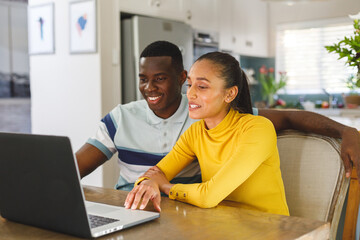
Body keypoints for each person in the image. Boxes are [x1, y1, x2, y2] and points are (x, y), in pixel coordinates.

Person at [76, 41, 360, 191]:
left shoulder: (210, 115)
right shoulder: (121, 117)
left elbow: (287, 118)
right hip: (133, 208)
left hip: (189, 214)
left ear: (180, 77)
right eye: (143, 79)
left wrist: (346, 131)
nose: (149, 88)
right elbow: (78, 165)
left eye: (159, 79)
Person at [124, 51, 289, 215]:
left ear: (230, 94)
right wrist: (148, 182)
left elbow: (208, 197)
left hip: (268, 229)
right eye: (189, 85)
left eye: (202, 86)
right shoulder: (196, 132)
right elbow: (157, 172)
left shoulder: (257, 129)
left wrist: (166, 186)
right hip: (221, 226)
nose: (190, 93)